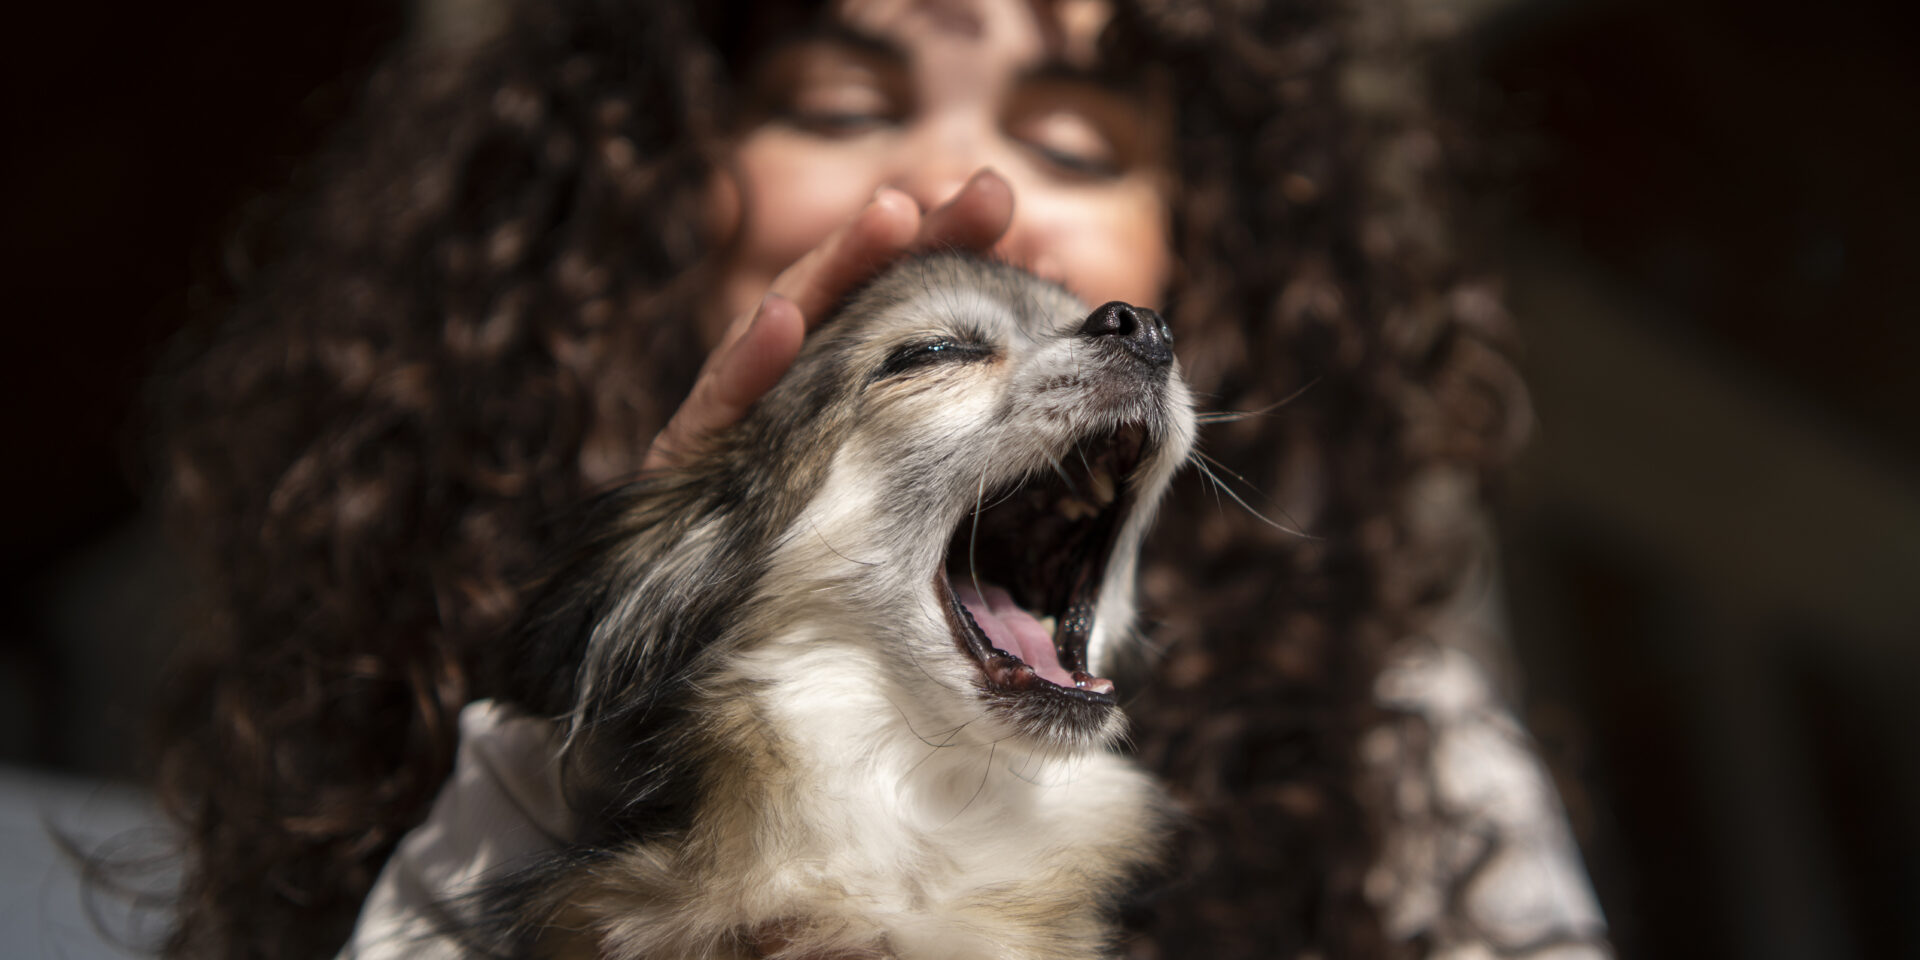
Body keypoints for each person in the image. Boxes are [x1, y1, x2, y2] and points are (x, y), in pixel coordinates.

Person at [151, 0, 1610, 957]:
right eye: (843, 107)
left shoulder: (1412, 752)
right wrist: (569, 745)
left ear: (1193, 244)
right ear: (663, 194)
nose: (965, 187)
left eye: (1073, 141)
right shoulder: (503, 764)